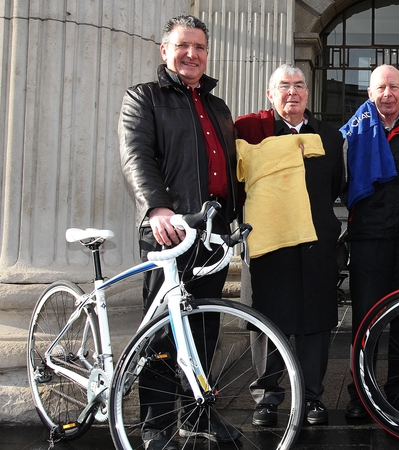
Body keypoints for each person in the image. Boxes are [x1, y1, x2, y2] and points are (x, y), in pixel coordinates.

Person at [118, 15, 242, 450]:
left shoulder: (218, 106)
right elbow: (137, 157)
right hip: (169, 231)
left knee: (205, 327)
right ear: (164, 50)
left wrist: (236, 220)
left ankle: (197, 413)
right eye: (183, 45)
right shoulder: (144, 98)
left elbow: (231, 169)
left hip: (211, 234)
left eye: (200, 47)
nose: (192, 54)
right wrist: (156, 208)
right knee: (162, 329)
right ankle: (156, 422)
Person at [234, 64, 345, 427]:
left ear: (308, 93)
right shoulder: (252, 134)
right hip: (269, 244)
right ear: (270, 94)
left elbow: (335, 186)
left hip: (316, 241)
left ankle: (313, 397)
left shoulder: (329, 137)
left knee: (316, 321)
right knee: (268, 318)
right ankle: (267, 398)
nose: (292, 93)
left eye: (299, 86)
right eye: (284, 86)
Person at [342, 64, 399, 418]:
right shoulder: (353, 131)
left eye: (394, 87)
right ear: (370, 93)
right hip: (368, 238)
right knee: (365, 320)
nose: (388, 94)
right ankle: (360, 394)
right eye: (381, 88)